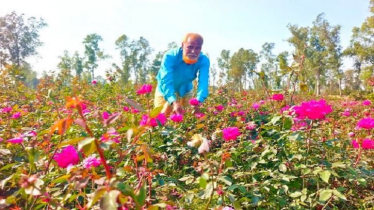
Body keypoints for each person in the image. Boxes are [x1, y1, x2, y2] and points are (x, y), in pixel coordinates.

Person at [154, 33, 210, 115]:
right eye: (190, 47)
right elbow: (166, 81)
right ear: (182, 45)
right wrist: (173, 102)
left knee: (187, 118)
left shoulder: (203, 60)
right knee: (161, 118)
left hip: (186, 90)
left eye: (197, 48)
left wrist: (198, 101)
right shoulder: (170, 56)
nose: (193, 51)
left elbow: (203, 82)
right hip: (165, 91)